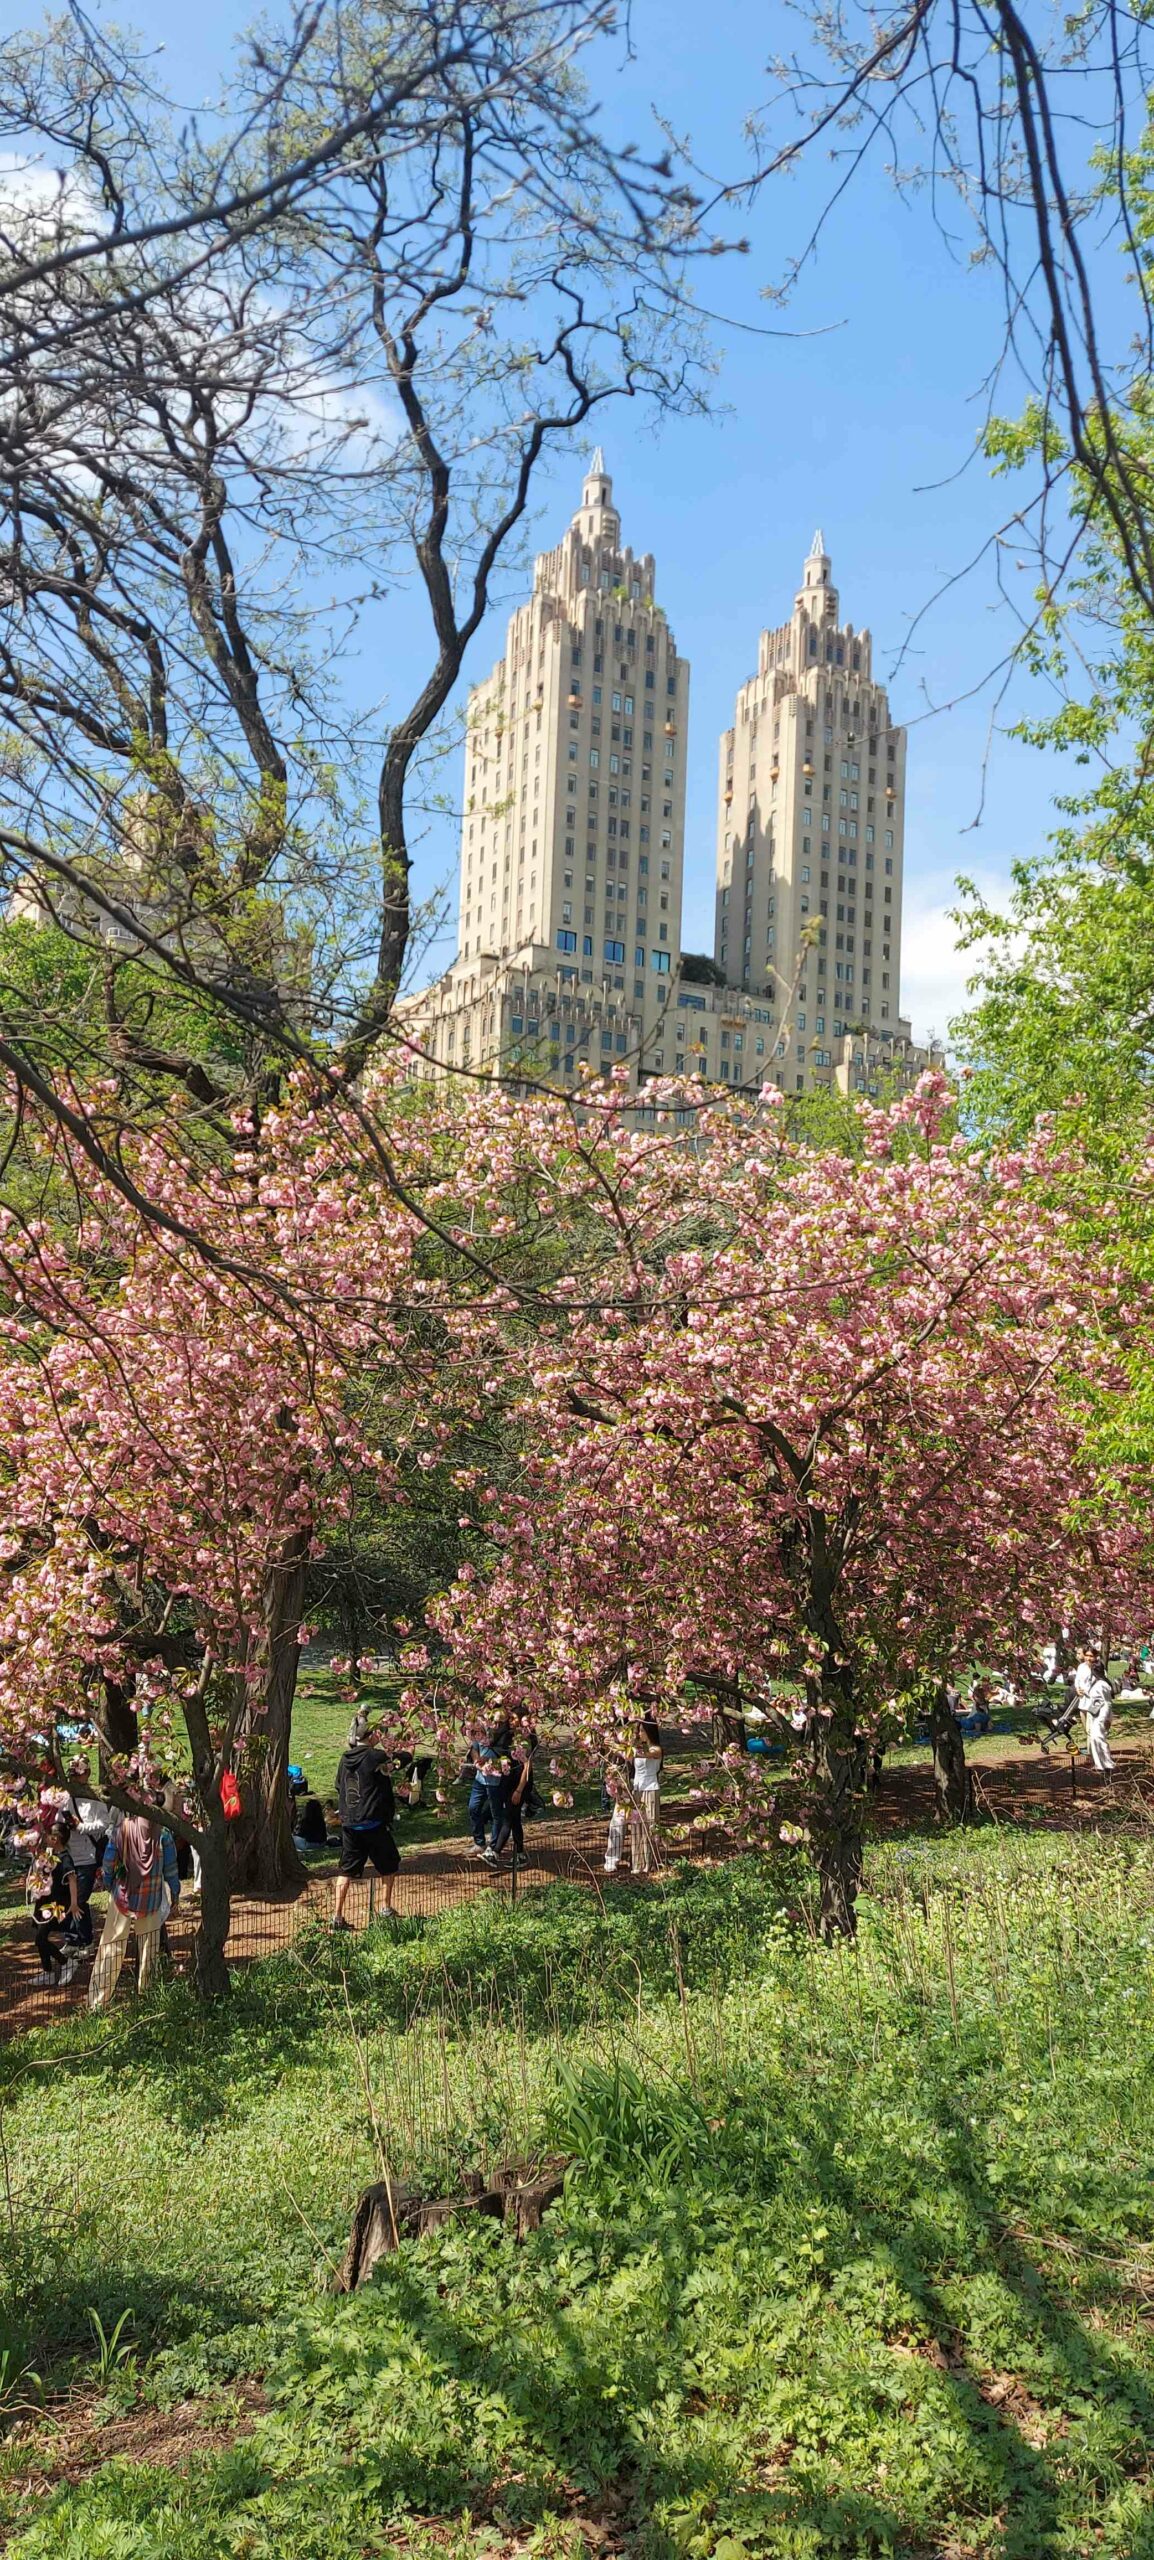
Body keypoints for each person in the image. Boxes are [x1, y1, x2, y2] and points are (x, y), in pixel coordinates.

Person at [88, 1812, 180, 2009]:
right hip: (151, 1899)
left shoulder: (123, 1829)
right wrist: (175, 1893)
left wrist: (108, 1883)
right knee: (149, 1949)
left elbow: (108, 1862)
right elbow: (171, 1868)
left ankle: (98, 2000)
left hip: (122, 1896)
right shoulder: (163, 1833)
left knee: (111, 1946)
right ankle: (147, 1997)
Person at [331, 1724, 400, 1929]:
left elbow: (338, 1785)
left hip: (351, 1823)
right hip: (373, 1823)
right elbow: (395, 1763)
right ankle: (386, 1908)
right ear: (369, 1737)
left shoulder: (345, 1759)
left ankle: (337, 1916)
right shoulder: (375, 1756)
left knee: (346, 1870)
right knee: (389, 1864)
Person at [32, 1814, 84, 1986]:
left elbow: (72, 1880)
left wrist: (74, 1903)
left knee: (40, 1938)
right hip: (44, 1901)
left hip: (55, 1905)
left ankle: (65, 1962)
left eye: (48, 1835)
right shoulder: (50, 1855)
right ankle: (47, 1971)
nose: (46, 1838)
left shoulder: (65, 1859)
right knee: (41, 1936)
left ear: (55, 1839)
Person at [630, 1718, 663, 1876]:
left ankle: (650, 1863)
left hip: (650, 1789)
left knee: (650, 1826)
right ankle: (637, 1863)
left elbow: (645, 1753)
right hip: (638, 1790)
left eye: (642, 1730)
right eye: (639, 1731)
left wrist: (629, 1747)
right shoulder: (637, 1748)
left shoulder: (656, 1749)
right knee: (637, 1826)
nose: (639, 1734)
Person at [469, 1746, 507, 1862]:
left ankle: (493, 1847)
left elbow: (506, 1755)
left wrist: (489, 1760)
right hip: (480, 1779)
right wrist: (477, 1760)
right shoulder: (480, 1730)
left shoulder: (500, 1735)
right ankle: (480, 1843)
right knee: (473, 1807)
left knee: (496, 1814)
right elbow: (474, 1748)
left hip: (496, 1781)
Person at [1085, 1658, 1116, 1775]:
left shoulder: (1102, 1684)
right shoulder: (1096, 1683)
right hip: (1095, 1713)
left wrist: (1105, 1718)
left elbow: (1107, 1702)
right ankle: (1099, 1764)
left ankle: (1108, 1763)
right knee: (1094, 1738)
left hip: (1102, 1713)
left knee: (1099, 1737)